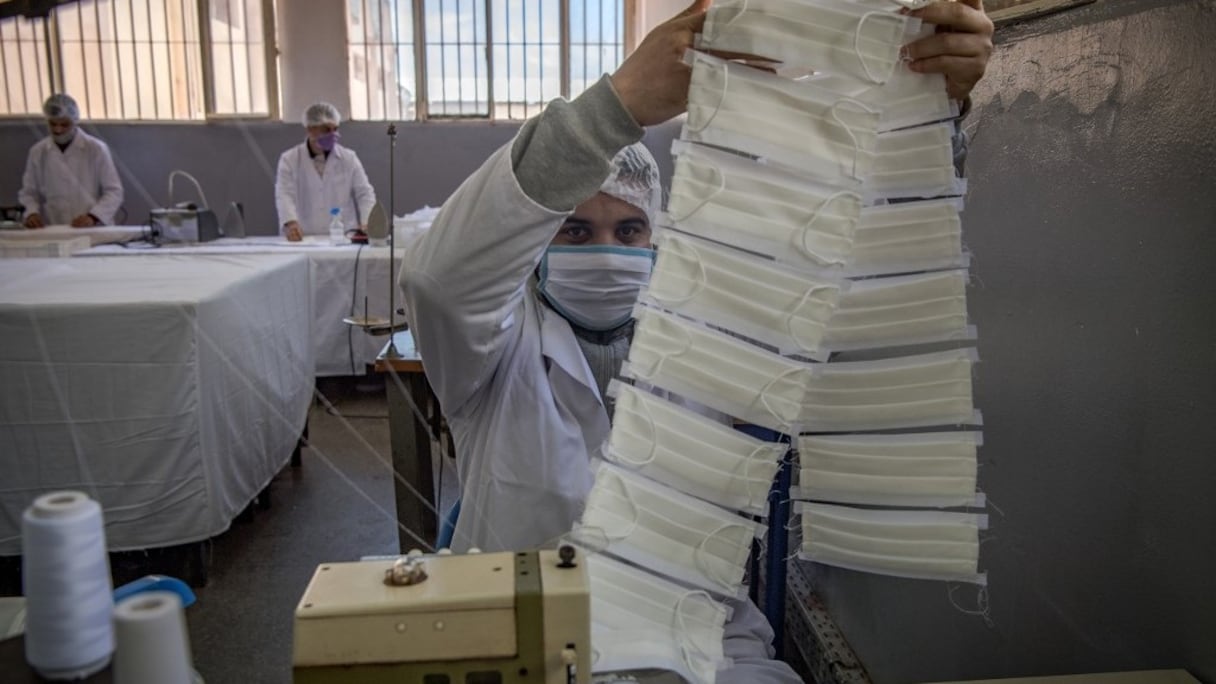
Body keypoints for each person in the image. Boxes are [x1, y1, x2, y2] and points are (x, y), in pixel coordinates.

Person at [401, 1, 993, 681]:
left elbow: (852, 275)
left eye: (628, 232)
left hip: (695, 647)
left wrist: (924, 114)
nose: (604, 249)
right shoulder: (490, 351)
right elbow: (438, 280)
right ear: (536, 246)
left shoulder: (710, 327)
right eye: (574, 231)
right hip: (515, 647)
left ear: (657, 237)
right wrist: (614, 107)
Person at [19, 94, 123, 229]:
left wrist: (93, 216)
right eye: (53, 124)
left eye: (64, 124)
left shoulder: (96, 149)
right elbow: (28, 192)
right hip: (57, 228)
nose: (58, 129)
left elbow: (114, 191)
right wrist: (31, 213)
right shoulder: (38, 152)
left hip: (94, 229)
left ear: (74, 121)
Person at [275, 102, 376, 242]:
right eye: (326, 130)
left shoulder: (348, 158)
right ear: (310, 129)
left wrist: (367, 222)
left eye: (335, 129)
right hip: (303, 236)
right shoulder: (290, 159)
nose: (333, 134)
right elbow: (284, 194)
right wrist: (291, 223)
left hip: (344, 236)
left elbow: (365, 193)